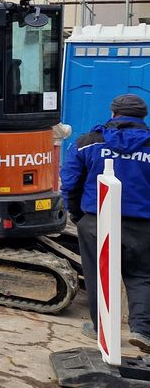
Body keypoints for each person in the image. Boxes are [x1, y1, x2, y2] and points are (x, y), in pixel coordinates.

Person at [60, 93, 150, 353]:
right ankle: (142, 330)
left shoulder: (88, 143)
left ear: (113, 114)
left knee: (98, 274)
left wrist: (76, 215)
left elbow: (70, 182)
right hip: (143, 224)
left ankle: (102, 329)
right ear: (143, 117)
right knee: (141, 276)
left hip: (97, 220)